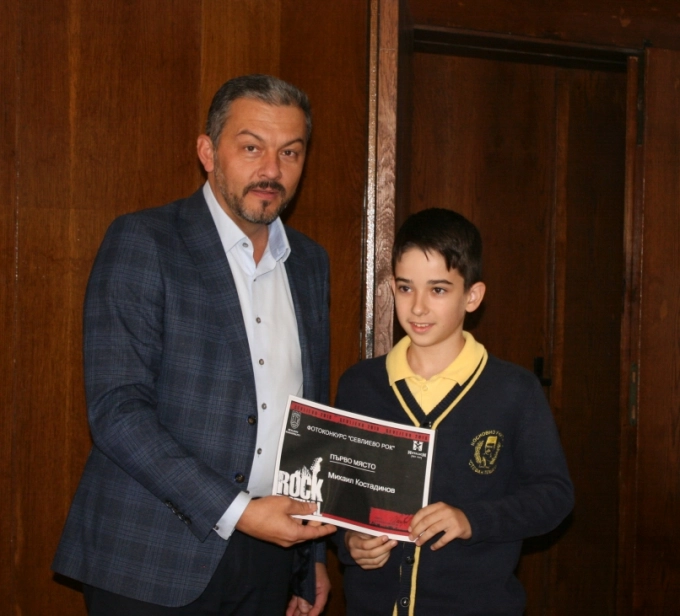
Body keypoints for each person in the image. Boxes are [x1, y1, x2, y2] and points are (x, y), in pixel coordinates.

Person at [52, 74, 336, 616]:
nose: (271, 170)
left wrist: (312, 556)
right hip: (150, 558)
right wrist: (240, 511)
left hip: (270, 557)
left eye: (290, 152)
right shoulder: (145, 241)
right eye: (251, 148)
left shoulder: (309, 263)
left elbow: (310, 415)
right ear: (208, 152)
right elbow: (117, 411)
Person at [332, 208, 574, 615]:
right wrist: (349, 542)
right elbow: (338, 493)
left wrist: (471, 520)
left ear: (472, 296)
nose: (418, 307)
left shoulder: (513, 391)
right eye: (406, 288)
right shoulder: (360, 385)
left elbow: (554, 496)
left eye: (439, 290)